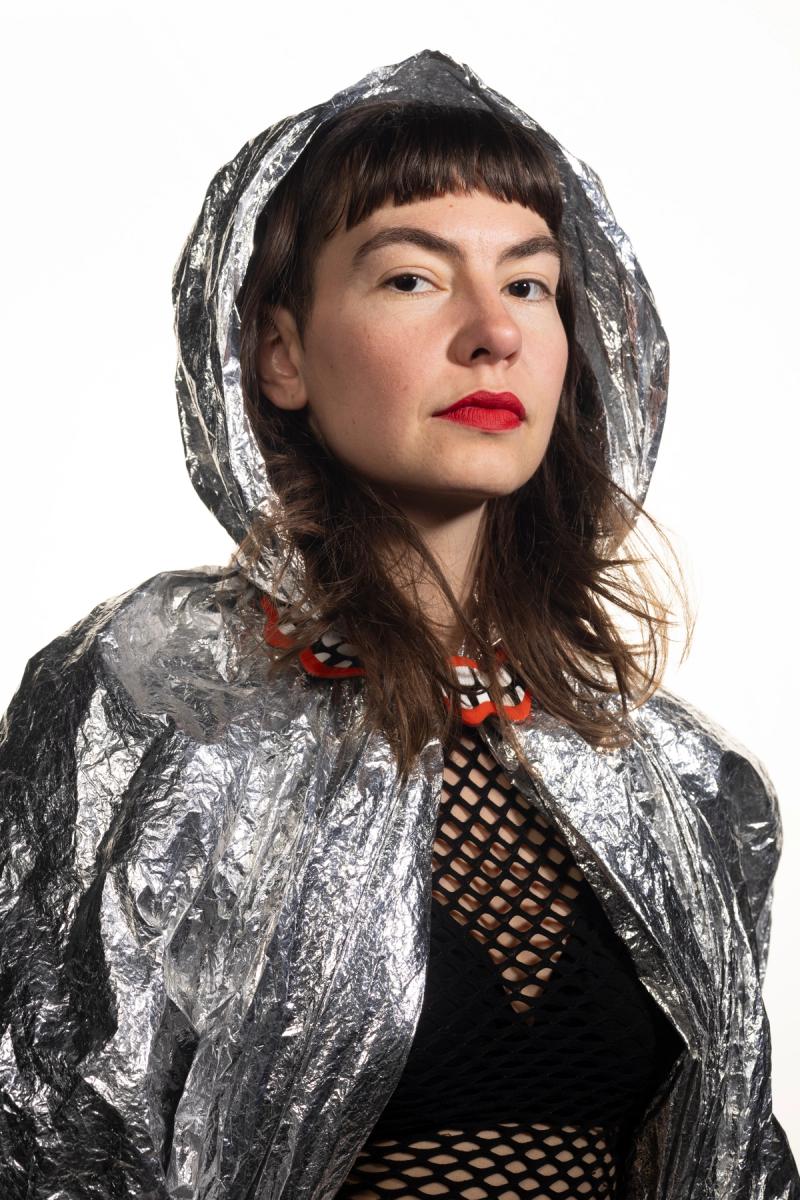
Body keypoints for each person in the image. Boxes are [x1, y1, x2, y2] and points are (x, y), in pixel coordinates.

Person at [0, 47, 796, 1200]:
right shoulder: (149, 702)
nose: (490, 332)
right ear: (279, 353)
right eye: (412, 279)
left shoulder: (678, 781)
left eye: (528, 283)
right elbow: (43, 1137)